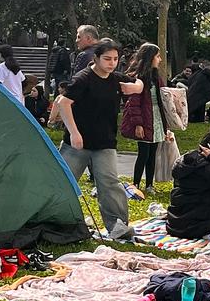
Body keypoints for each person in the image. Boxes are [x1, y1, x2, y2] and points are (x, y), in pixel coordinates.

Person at [58, 38, 145, 240]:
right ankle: (55, 222)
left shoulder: (116, 79)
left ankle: (117, 226)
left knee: (110, 183)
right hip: (77, 144)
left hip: (105, 142)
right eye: (107, 58)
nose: (112, 63)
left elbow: (140, 83)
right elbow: (63, 103)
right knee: (64, 183)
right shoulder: (83, 79)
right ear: (96, 58)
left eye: (115, 59)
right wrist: (74, 132)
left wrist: (136, 88)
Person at [121, 43, 175, 191]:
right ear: (150, 57)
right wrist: (138, 124)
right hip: (145, 118)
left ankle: (149, 184)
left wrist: (165, 125)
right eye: (158, 56)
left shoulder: (156, 77)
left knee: (152, 154)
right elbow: (134, 103)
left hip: (156, 118)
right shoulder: (139, 78)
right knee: (143, 154)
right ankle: (136, 183)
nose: (160, 59)